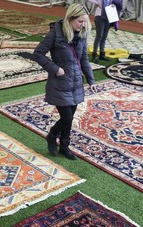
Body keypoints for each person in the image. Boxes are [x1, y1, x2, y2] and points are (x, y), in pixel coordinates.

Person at [33, 3, 97, 160]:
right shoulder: (56, 33)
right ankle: (52, 135)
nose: (83, 25)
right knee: (67, 117)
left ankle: (64, 146)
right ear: (70, 19)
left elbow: (84, 59)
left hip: (75, 83)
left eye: (85, 22)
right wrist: (55, 69)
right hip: (60, 83)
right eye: (80, 22)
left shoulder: (82, 35)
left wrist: (91, 80)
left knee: (70, 118)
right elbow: (38, 54)